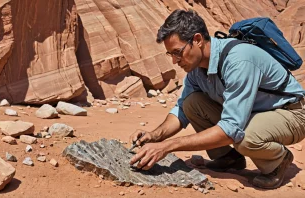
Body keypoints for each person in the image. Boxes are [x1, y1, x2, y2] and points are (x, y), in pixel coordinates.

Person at [129, 9, 305, 189]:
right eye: (170, 54)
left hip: (291, 113)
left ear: (197, 40)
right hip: (254, 113)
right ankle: (229, 158)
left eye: (177, 52)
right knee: (192, 103)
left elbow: (231, 129)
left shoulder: (238, 60)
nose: (175, 61)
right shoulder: (196, 69)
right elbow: (182, 110)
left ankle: (277, 160)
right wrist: (154, 136)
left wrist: (167, 146)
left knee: (245, 137)